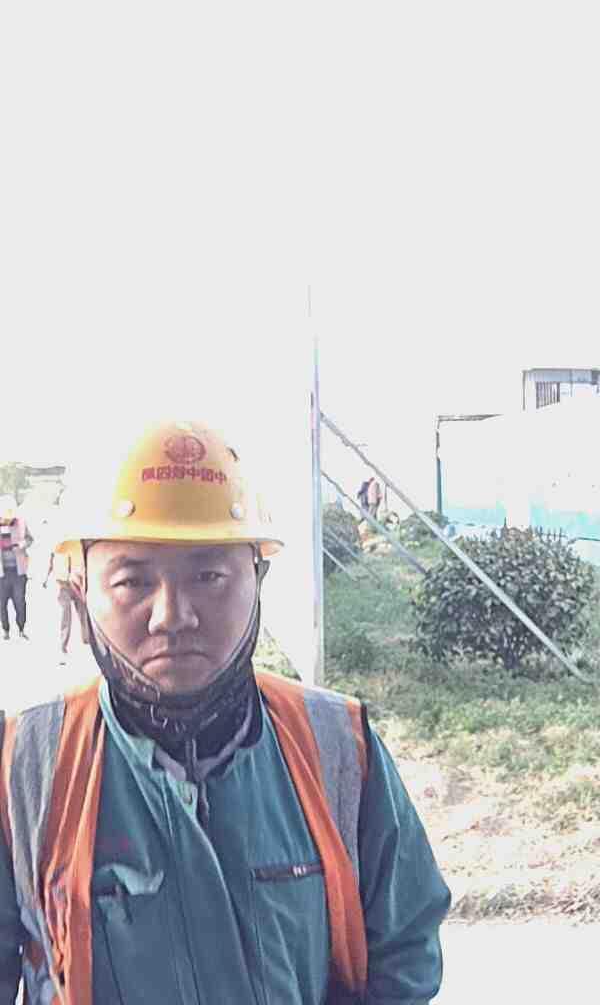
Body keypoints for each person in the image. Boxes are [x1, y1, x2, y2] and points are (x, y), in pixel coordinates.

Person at [0, 420, 450, 1004]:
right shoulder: (24, 764)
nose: (172, 616)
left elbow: (405, 952)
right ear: (83, 590)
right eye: (132, 580)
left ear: (258, 579)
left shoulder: (339, 747)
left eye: (209, 575)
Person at [43, 550, 89, 664]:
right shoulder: (58, 545)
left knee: (83, 613)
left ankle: (87, 640)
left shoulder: (75, 544)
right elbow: (50, 561)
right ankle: (62, 648)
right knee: (66, 615)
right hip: (62, 584)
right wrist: (45, 579)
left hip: (77, 583)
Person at [0, 496, 33, 641]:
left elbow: (30, 539)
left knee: (19, 602)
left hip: (18, 572)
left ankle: (21, 628)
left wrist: (22, 544)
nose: (7, 520)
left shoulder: (21, 523)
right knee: (1, 603)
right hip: (2, 574)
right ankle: (6, 630)